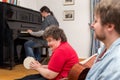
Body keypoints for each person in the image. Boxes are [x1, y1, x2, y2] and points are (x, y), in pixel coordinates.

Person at [85, 0, 120, 79]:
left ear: (110, 26)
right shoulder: (104, 50)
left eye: (96, 21)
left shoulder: (116, 63)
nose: (92, 25)